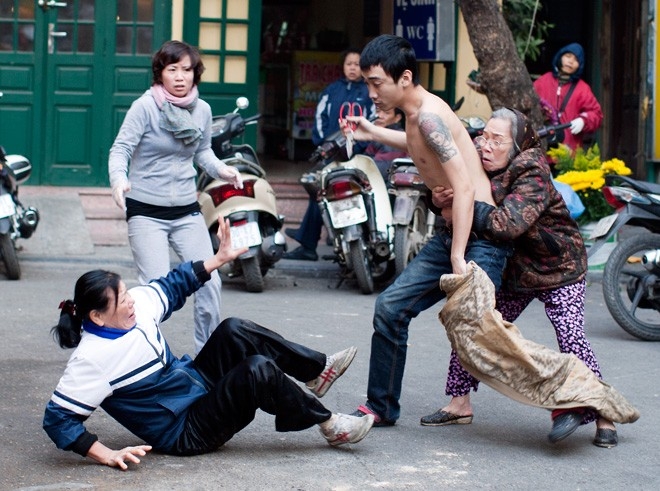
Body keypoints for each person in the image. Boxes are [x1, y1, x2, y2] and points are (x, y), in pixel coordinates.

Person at [43, 217, 375, 470]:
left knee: (233, 329)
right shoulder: (92, 360)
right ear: (98, 317)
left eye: (128, 293)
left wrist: (220, 257)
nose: (132, 302)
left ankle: (316, 372)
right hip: (185, 430)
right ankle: (330, 424)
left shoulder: (135, 306)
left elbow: (174, 285)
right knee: (256, 370)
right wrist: (106, 454)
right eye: (122, 301)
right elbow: (58, 419)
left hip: (193, 384)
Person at [340, 34, 511, 426]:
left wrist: (457, 256)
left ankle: (577, 397)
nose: (371, 91)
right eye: (367, 82)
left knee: (487, 337)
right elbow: (418, 144)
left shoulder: (430, 117)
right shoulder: (418, 116)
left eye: (376, 82)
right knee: (391, 307)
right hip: (456, 233)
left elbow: (465, 187)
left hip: (479, 241)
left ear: (403, 78)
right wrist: (371, 131)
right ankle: (380, 408)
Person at [422, 108, 617, 448]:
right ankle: (459, 401)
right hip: (516, 269)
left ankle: (604, 413)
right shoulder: (479, 165)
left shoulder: (532, 170)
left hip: (559, 267)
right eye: (484, 136)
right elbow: (450, 195)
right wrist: (438, 199)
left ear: (516, 146)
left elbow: (505, 224)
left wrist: (466, 202)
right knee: (474, 324)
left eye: (497, 140)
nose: (486, 145)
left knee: (570, 336)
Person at [108, 40, 242, 354]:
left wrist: (223, 170)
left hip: (186, 211)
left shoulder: (203, 110)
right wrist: (119, 180)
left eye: (187, 70)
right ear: (160, 73)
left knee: (210, 282)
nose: (180, 77)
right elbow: (121, 149)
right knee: (157, 292)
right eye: (173, 70)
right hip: (145, 210)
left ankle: (208, 359)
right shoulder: (145, 107)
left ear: (195, 74)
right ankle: (148, 359)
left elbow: (203, 152)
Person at [283, 48, 376, 261]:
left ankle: (310, 240)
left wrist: (359, 149)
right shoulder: (331, 91)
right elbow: (319, 119)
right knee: (318, 191)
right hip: (331, 153)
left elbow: (373, 123)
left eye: (357, 64)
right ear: (343, 67)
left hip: (359, 155)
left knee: (326, 193)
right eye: (349, 63)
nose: (353, 67)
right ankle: (310, 239)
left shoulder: (369, 92)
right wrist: (326, 145)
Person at [283, 107, 407, 261]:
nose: (379, 115)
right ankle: (314, 236)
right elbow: (358, 157)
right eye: (378, 111)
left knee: (324, 194)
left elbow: (377, 170)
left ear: (397, 118)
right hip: (367, 181)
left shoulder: (392, 138)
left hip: (379, 188)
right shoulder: (375, 135)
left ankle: (309, 240)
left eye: (385, 113)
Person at [533, 42, 603, 150]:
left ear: (580, 65)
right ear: (560, 57)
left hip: (568, 152)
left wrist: (583, 120)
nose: (570, 61)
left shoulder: (582, 89)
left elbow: (596, 115)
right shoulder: (542, 82)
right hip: (541, 148)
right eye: (568, 56)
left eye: (576, 60)